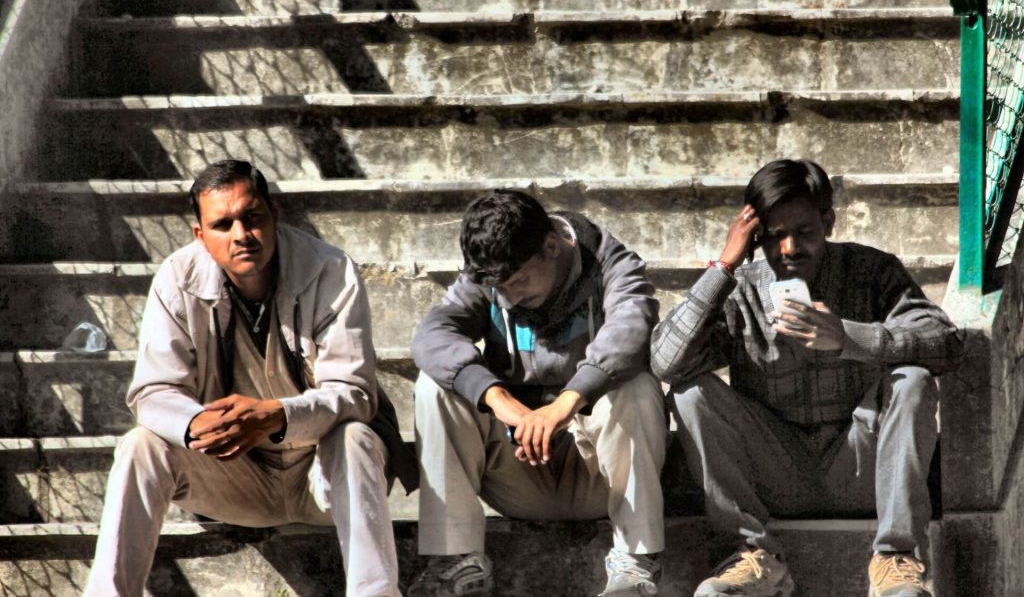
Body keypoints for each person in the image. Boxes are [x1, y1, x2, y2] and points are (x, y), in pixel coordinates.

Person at [84, 160, 416, 597]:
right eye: (223, 224)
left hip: (321, 479)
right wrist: (196, 424)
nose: (241, 235)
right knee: (138, 445)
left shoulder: (330, 270)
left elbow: (354, 393)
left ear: (274, 214)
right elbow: (152, 390)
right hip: (233, 476)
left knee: (354, 436)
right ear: (201, 236)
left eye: (252, 217)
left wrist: (276, 417)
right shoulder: (177, 278)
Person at [651, 159, 963, 597]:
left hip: (862, 469)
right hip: (774, 472)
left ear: (829, 221)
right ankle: (751, 556)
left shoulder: (872, 271)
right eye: (775, 236)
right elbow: (666, 364)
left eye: (804, 232)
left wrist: (851, 337)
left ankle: (895, 559)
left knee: (911, 379)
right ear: (756, 236)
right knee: (689, 394)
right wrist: (722, 267)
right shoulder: (738, 289)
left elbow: (947, 344)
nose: (790, 248)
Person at [410, 189, 666, 596]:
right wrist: (497, 398)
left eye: (519, 281)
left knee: (635, 384)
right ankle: (457, 562)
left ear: (552, 245)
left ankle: (635, 564)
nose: (510, 298)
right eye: (501, 289)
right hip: (517, 471)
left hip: (598, 472)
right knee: (435, 387)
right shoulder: (493, 275)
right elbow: (432, 336)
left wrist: (567, 403)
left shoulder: (611, 263)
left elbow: (632, 330)